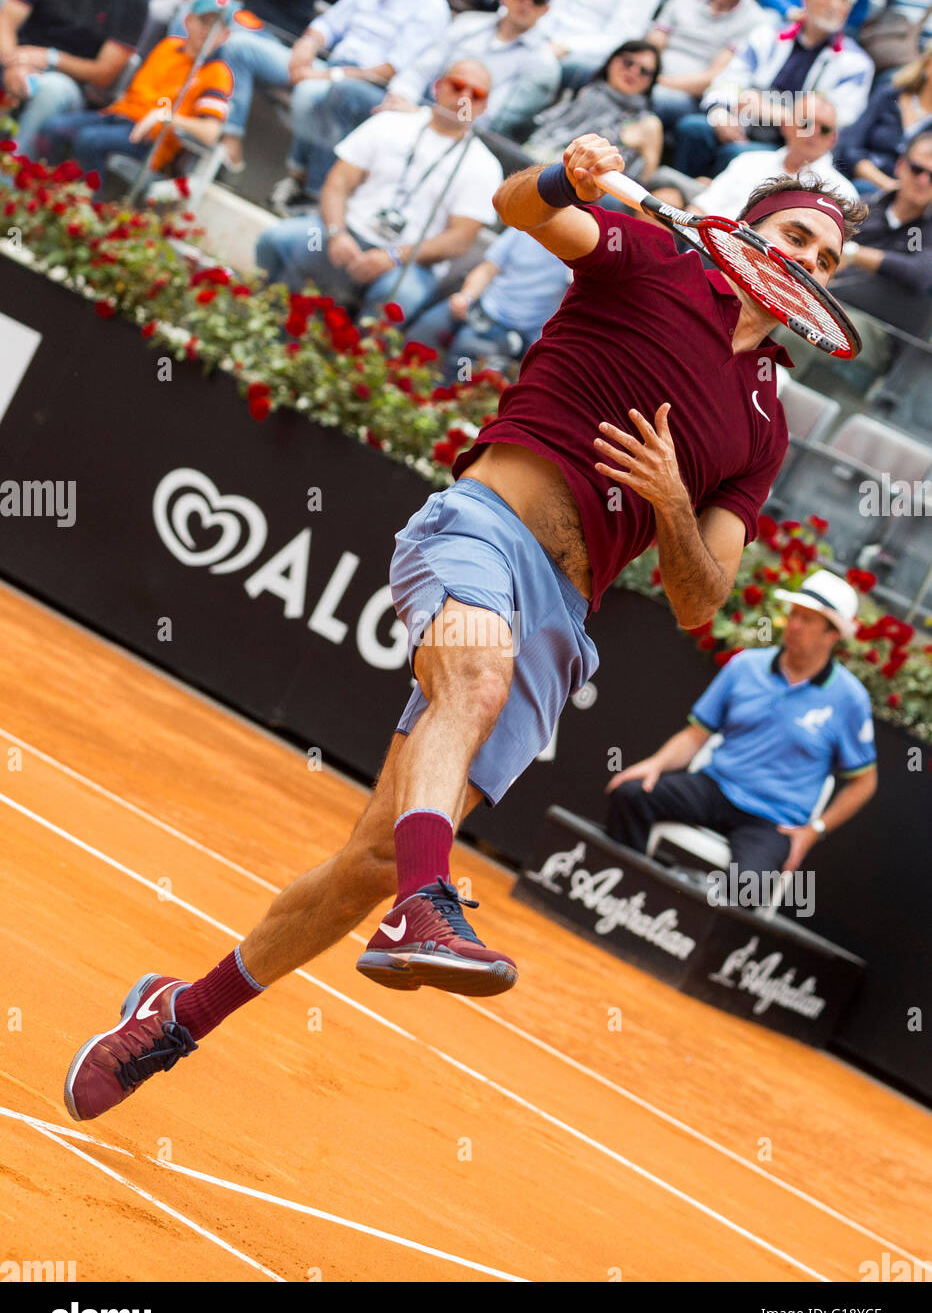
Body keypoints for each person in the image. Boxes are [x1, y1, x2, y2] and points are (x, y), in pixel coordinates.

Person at [63, 135, 866, 1124]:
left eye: (826, 262)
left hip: (563, 619)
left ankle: (177, 1014)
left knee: (365, 862)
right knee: (471, 680)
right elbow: (516, 205)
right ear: (747, 229)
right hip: (482, 527)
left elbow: (700, 598)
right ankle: (429, 901)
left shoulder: (762, 423)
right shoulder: (649, 259)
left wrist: (667, 499)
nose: (808, 265)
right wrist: (567, 174)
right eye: (797, 237)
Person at [605, 570, 877, 894]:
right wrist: (656, 764)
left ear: (832, 635)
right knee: (631, 794)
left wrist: (813, 830)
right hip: (713, 788)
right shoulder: (745, 665)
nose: (793, 625)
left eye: (807, 620)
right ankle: (627, 898)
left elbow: (864, 782)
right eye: (793, 615)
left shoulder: (850, 698)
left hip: (772, 821)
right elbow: (696, 735)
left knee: (749, 887)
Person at [255, 59, 502, 322]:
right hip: (349, 232)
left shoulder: (484, 166)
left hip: (411, 263)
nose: (464, 98)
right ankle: (271, 325)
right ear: (438, 86)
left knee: (398, 300)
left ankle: (350, 360)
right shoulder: (391, 123)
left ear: (484, 106)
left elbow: (460, 240)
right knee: (277, 241)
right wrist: (336, 232)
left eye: (476, 95)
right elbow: (338, 183)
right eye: (458, 86)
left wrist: (394, 256)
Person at [293, 0, 560, 206]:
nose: (526, 2)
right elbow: (420, 69)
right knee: (347, 93)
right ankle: (315, 194)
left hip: (461, 138)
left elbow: (489, 118)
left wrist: (424, 113)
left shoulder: (543, 64)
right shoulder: (469, 23)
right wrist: (400, 97)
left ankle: (323, 196)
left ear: (546, 10)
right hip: (414, 111)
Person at [216, 0, 451, 184]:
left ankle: (299, 174)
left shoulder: (431, 5)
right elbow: (328, 24)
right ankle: (229, 147)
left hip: (370, 89)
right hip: (327, 68)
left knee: (311, 90)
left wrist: (325, 76)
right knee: (240, 47)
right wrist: (308, 43)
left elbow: (389, 70)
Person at [675, 0, 873, 177]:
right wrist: (720, 116)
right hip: (741, 120)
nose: (834, 5)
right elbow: (728, 79)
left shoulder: (856, 63)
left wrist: (775, 113)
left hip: (791, 145)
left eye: (844, 0)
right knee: (693, 129)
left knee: (736, 155)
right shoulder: (767, 33)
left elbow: (837, 120)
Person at [37, 0, 233, 179]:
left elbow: (210, 132)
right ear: (189, 21)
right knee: (54, 127)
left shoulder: (218, 72)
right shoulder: (168, 46)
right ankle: (43, 185)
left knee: (90, 140)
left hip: (151, 139)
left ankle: (87, 202)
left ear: (225, 35)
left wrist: (165, 116)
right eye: (205, 21)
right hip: (119, 115)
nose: (209, 31)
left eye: (218, 26)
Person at [0, 0, 149, 158]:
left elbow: (104, 74)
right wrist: (14, 65)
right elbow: (5, 23)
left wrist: (52, 57)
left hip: (70, 83)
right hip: (16, 58)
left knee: (51, 90)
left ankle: (13, 172)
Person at [408, 225, 571, 380]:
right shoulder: (527, 224)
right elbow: (488, 269)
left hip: (517, 333)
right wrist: (465, 297)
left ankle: (445, 390)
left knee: (462, 366)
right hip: (481, 307)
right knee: (421, 333)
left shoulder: (580, 250)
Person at [688, 93, 859, 216]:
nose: (813, 132)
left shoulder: (842, 193)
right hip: (704, 243)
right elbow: (701, 207)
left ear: (834, 138)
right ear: (786, 125)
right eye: (805, 123)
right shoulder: (748, 161)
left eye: (825, 129)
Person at [832, 128, 932, 334]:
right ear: (900, 165)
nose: (923, 181)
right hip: (831, 297)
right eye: (917, 169)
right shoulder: (867, 206)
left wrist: (854, 254)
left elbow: (920, 273)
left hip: (883, 328)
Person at [522, 40, 664, 183]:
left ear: (651, 82)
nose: (633, 72)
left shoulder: (649, 123)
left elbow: (647, 183)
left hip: (591, 190)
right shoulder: (588, 92)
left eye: (644, 71)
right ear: (612, 61)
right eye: (628, 62)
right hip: (540, 162)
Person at [645, 0, 766, 132]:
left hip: (691, 96)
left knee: (657, 97)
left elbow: (714, 77)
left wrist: (659, 81)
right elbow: (653, 43)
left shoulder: (756, 20)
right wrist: (645, 72)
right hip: (653, 75)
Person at [836, 43, 932, 195]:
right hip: (859, 180)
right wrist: (886, 184)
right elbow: (850, 146)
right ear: (927, 65)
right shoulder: (889, 95)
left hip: (909, 200)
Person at [536, 0, 664, 91]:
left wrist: (567, 46)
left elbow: (621, 38)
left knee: (542, 63)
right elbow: (557, 4)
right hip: (543, 33)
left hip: (586, 53)